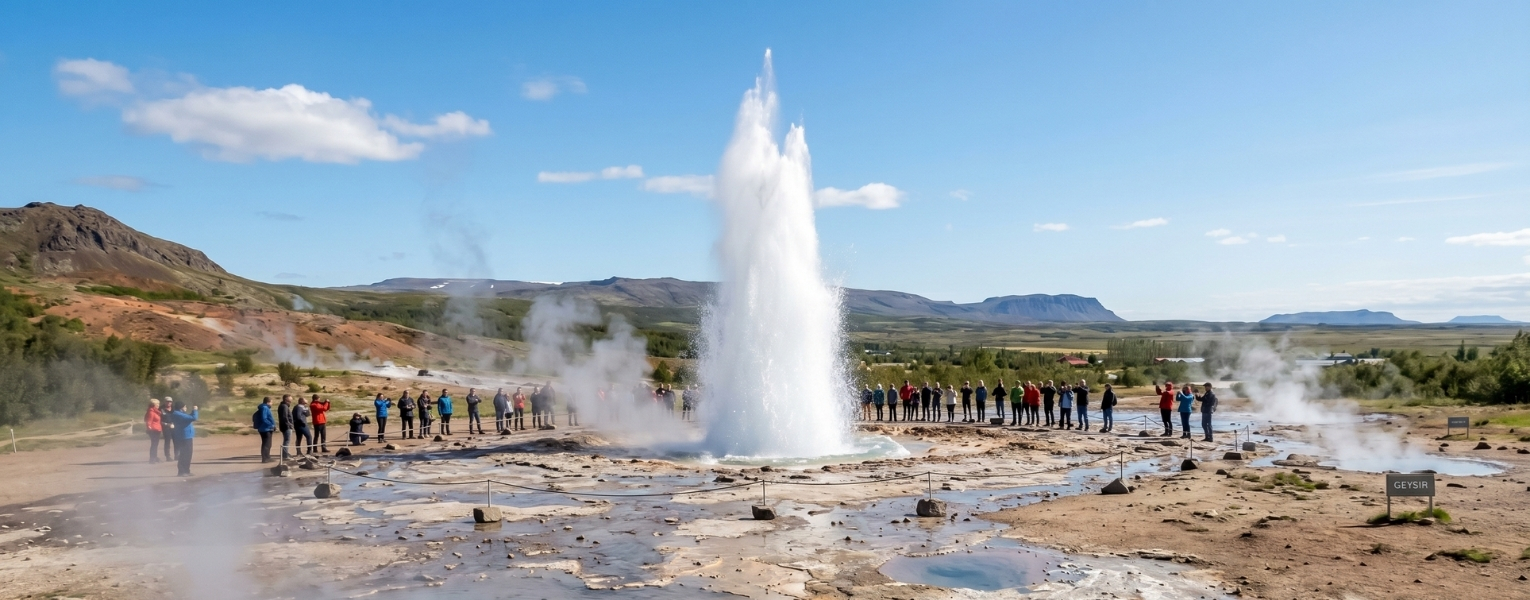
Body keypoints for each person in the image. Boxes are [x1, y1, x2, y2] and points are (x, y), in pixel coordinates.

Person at [167, 400, 198, 477]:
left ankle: (186, 470)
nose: (186, 408)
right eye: (185, 406)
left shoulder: (181, 414)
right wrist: (195, 410)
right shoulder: (177, 414)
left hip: (187, 436)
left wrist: (192, 412)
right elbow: (194, 418)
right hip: (183, 436)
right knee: (184, 454)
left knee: (188, 454)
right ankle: (181, 471)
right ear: (181, 407)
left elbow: (189, 417)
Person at [252, 397, 275, 462]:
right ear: (268, 402)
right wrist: (271, 425)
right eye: (271, 402)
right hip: (265, 429)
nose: (272, 404)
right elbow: (264, 418)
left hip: (266, 428)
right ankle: (265, 458)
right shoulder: (264, 408)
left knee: (268, 444)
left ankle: (267, 457)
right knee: (266, 444)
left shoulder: (265, 408)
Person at [145, 399, 163, 463]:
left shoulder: (156, 412)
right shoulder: (151, 412)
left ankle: (155, 457)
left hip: (157, 429)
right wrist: (149, 429)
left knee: (155, 444)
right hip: (153, 430)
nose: (158, 405)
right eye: (157, 404)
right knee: (154, 444)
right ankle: (152, 458)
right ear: (153, 405)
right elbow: (149, 421)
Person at [159, 397, 176, 461]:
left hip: (174, 426)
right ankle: (167, 456)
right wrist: (167, 424)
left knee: (176, 441)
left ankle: (177, 455)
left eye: (170, 401)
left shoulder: (174, 409)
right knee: (167, 442)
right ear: (165, 402)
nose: (169, 403)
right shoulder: (161, 409)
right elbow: (159, 421)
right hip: (166, 427)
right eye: (167, 401)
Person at [277, 395, 294, 459]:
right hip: (286, 427)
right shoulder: (284, 406)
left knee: (286, 441)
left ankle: (285, 454)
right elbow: (284, 417)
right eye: (290, 399)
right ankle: (285, 456)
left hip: (285, 426)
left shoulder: (284, 406)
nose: (291, 400)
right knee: (287, 441)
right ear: (286, 399)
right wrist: (289, 425)